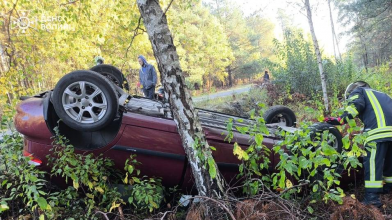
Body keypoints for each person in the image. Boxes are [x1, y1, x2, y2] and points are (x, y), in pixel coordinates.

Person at [324, 81, 392, 208]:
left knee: (372, 163)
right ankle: (388, 188)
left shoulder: (359, 91)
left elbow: (355, 106)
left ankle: (372, 198)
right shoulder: (383, 95)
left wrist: (340, 120)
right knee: (389, 162)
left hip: (377, 133)